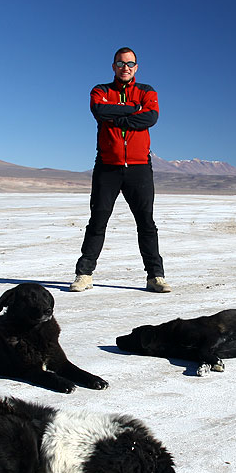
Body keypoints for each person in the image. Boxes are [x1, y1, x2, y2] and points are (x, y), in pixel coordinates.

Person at [71, 47, 170, 293]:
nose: (125, 67)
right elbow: (99, 110)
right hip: (108, 167)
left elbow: (150, 118)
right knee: (98, 220)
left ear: (136, 67)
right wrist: (132, 108)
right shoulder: (101, 90)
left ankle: (155, 276)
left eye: (130, 63)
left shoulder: (147, 91)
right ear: (113, 66)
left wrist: (116, 118)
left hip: (139, 168)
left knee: (146, 223)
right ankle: (84, 274)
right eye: (120, 63)